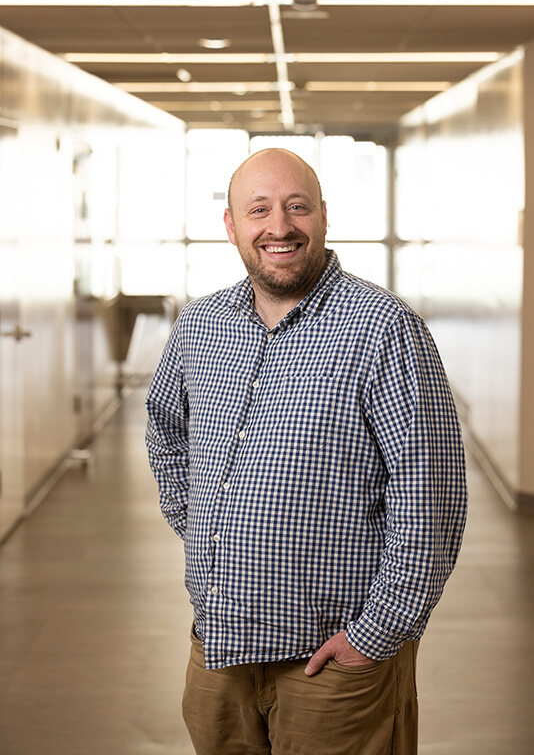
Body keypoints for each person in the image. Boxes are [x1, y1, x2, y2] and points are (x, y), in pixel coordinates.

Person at [145, 148, 468, 755]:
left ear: (323, 216)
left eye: (298, 207)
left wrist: (378, 634)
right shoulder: (200, 325)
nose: (279, 226)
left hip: (332, 663)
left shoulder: (384, 327)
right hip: (219, 649)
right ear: (232, 226)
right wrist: (195, 521)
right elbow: (165, 425)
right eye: (259, 210)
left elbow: (432, 496)